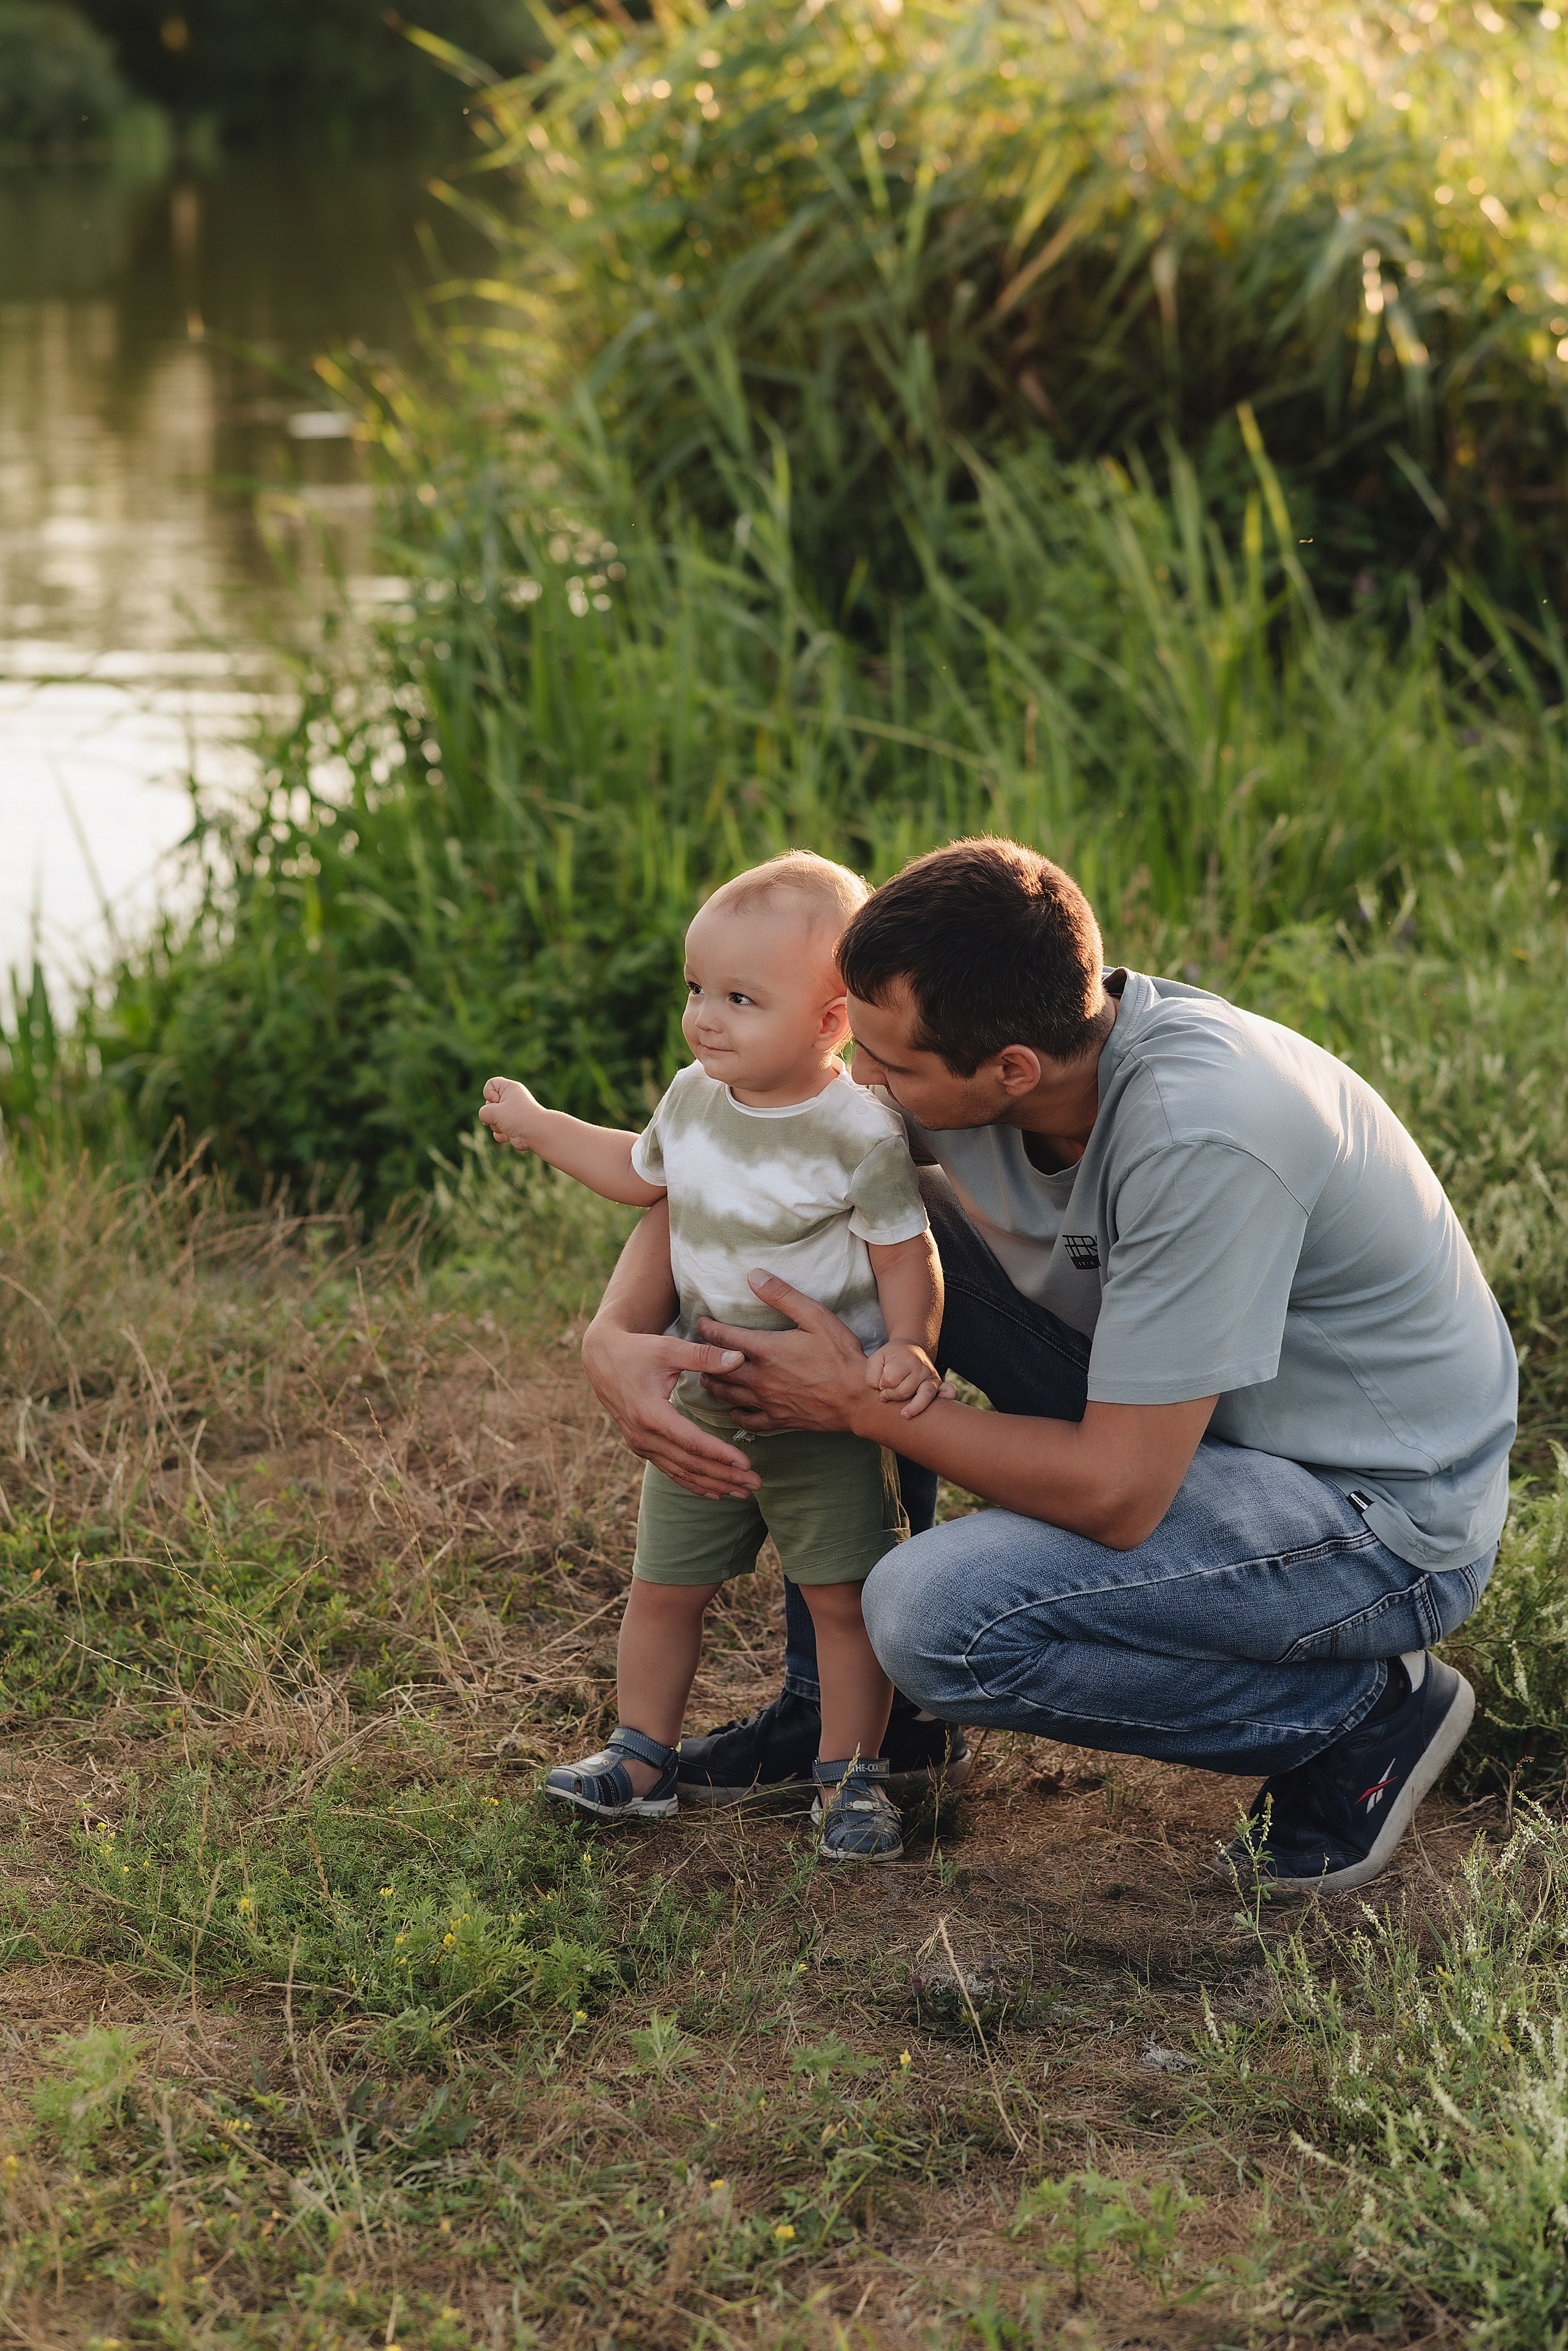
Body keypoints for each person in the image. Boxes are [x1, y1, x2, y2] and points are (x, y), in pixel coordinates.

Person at [582, 837, 1518, 1895]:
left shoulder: (1202, 1133)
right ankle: (855, 1731)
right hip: (1200, 1415)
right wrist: (611, 1334)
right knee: (870, 1236)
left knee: (933, 1615)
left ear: (1010, 1070)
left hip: (1366, 1513)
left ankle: (1363, 1715)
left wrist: (868, 1406)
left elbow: (1117, 1495)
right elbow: (759, 1161)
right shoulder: (988, 1043)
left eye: (889, 1066)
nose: (861, 1079)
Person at [478, 851, 949, 1863]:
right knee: (665, 1584)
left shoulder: (857, 1131)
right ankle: (640, 1757)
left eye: (740, 997)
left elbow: (908, 1253)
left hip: (820, 1403)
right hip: (706, 1391)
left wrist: (907, 1347)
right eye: (697, 990)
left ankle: (850, 1777)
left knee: (841, 1596)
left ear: (830, 1022)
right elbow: (638, 1176)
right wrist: (540, 1125)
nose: (705, 1018)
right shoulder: (695, 1096)